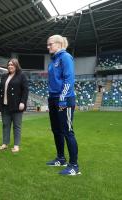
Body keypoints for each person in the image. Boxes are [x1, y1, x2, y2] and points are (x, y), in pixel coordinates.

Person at [46, 34, 81, 175]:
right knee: (56, 130)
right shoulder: (53, 60)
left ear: (59, 44)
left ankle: (74, 166)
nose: (48, 46)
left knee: (67, 132)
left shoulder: (65, 57)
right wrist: (52, 98)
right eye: (47, 44)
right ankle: (60, 158)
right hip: (53, 99)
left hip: (64, 100)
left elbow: (69, 79)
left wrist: (62, 98)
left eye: (50, 44)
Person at [0, 58, 29, 153]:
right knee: (5, 125)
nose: (10, 66)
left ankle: (16, 145)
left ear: (16, 66)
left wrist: (23, 102)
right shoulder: (4, 76)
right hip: (4, 105)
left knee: (16, 126)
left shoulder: (22, 76)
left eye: (12, 64)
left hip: (16, 106)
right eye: (9, 64)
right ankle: (5, 143)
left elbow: (25, 90)